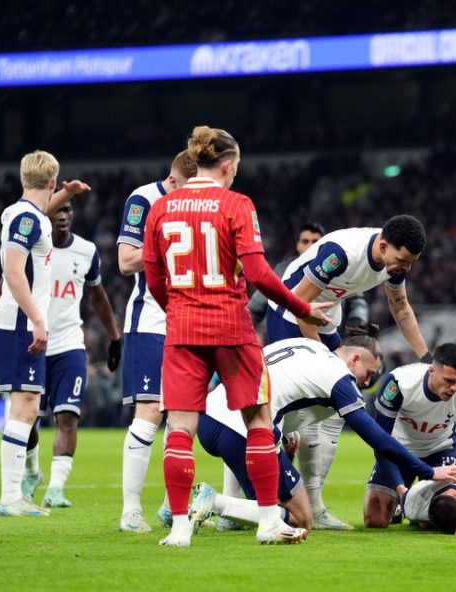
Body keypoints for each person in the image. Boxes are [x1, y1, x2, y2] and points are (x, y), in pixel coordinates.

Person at [142, 125, 331, 547]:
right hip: (231, 325)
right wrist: (302, 307)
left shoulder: (162, 208)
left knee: (179, 429)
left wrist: (179, 308)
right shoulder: (237, 204)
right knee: (259, 421)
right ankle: (268, 522)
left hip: (183, 329)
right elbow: (261, 274)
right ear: (227, 165)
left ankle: (179, 528)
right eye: (236, 167)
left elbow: (155, 280)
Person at [190, 331, 456, 531]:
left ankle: (186, 508)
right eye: (368, 373)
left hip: (212, 415)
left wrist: (282, 432)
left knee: (264, 505)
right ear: (354, 359)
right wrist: (427, 471)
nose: (367, 382)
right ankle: (215, 502)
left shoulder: (307, 345)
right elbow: (375, 437)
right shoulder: (338, 377)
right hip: (243, 431)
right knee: (300, 518)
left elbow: (276, 384)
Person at [266, 216, 430, 529]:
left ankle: (315, 506)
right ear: (383, 246)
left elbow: (401, 308)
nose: (406, 269)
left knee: (335, 412)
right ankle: (269, 497)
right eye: (403, 260)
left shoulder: (391, 262)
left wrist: (426, 356)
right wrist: (321, 360)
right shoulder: (341, 254)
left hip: (326, 315)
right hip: (292, 310)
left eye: (411, 263)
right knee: (297, 411)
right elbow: (301, 301)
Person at [0, 150, 90, 516]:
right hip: (20, 321)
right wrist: (37, 319)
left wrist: (66, 194)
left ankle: (14, 493)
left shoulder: (27, 214)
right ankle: (10, 496)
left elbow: (41, 210)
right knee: (25, 408)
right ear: (51, 181)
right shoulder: (28, 221)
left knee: (26, 408)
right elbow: (15, 273)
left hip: (17, 321)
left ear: (22, 179)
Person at [116, 150, 197, 534]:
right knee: (149, 413)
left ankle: (170, 504)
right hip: (150, 320)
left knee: (184, 415)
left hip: (189, 322)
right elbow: (126, 260)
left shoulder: (199, 204)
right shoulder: (144, 199)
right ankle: (130, 510)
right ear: (177, 180)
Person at [30, 202, 121, 509]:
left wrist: (114, 336)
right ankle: (31, 471)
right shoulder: (31, 248)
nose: (64, 215)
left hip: (69, 346)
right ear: (47, 213)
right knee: (28, 421)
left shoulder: (86, 251)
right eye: (58, 209)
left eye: (69, 209)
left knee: (67, 418)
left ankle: (55, 489)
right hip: (35, 345)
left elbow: (98, 296)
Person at [364, 342, 456, 528]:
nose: (454, 388)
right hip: (399, 451)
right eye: (449, 380)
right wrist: (400, 488)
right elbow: (380, 441)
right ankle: (400, 508)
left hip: (442, 451)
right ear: (431, 371)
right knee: (374, 520)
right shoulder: (400, 383)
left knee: (442, 517)